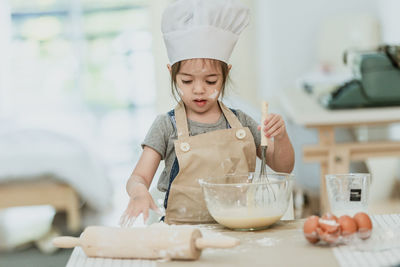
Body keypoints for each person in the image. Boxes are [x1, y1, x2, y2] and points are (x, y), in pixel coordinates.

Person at [120, 0, 294, 226]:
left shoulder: (241, 123)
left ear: (226, 74)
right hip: (181, 230)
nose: (199, 89)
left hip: (238, 227)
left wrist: (280, 137)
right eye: (187, 80)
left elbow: (283, 167)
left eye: (211, 81)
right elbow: (138, 177)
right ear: (172, 73)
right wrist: (138, 193)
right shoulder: (166, 126)